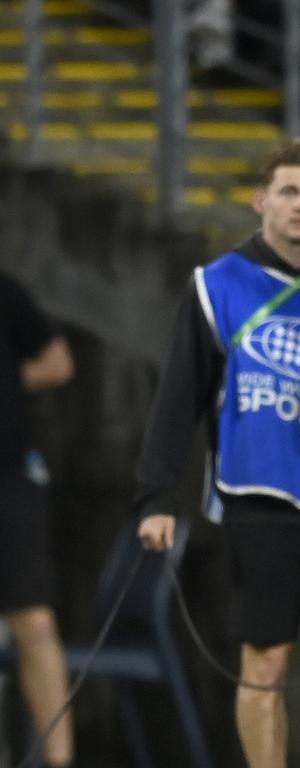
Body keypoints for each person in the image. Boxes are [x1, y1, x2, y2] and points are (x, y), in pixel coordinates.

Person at [134, 138, 300, 768]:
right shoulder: (218, 286)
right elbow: (179, 399)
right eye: (288, 191)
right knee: (267, 661)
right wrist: (156, 497)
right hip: (261, 497)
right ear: (261, 201)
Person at [0, 272, 76, 768]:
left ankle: (59, 760)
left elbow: (58, 364)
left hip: (9, 477)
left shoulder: (5, 292)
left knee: (35, 622)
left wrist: (9, 378)